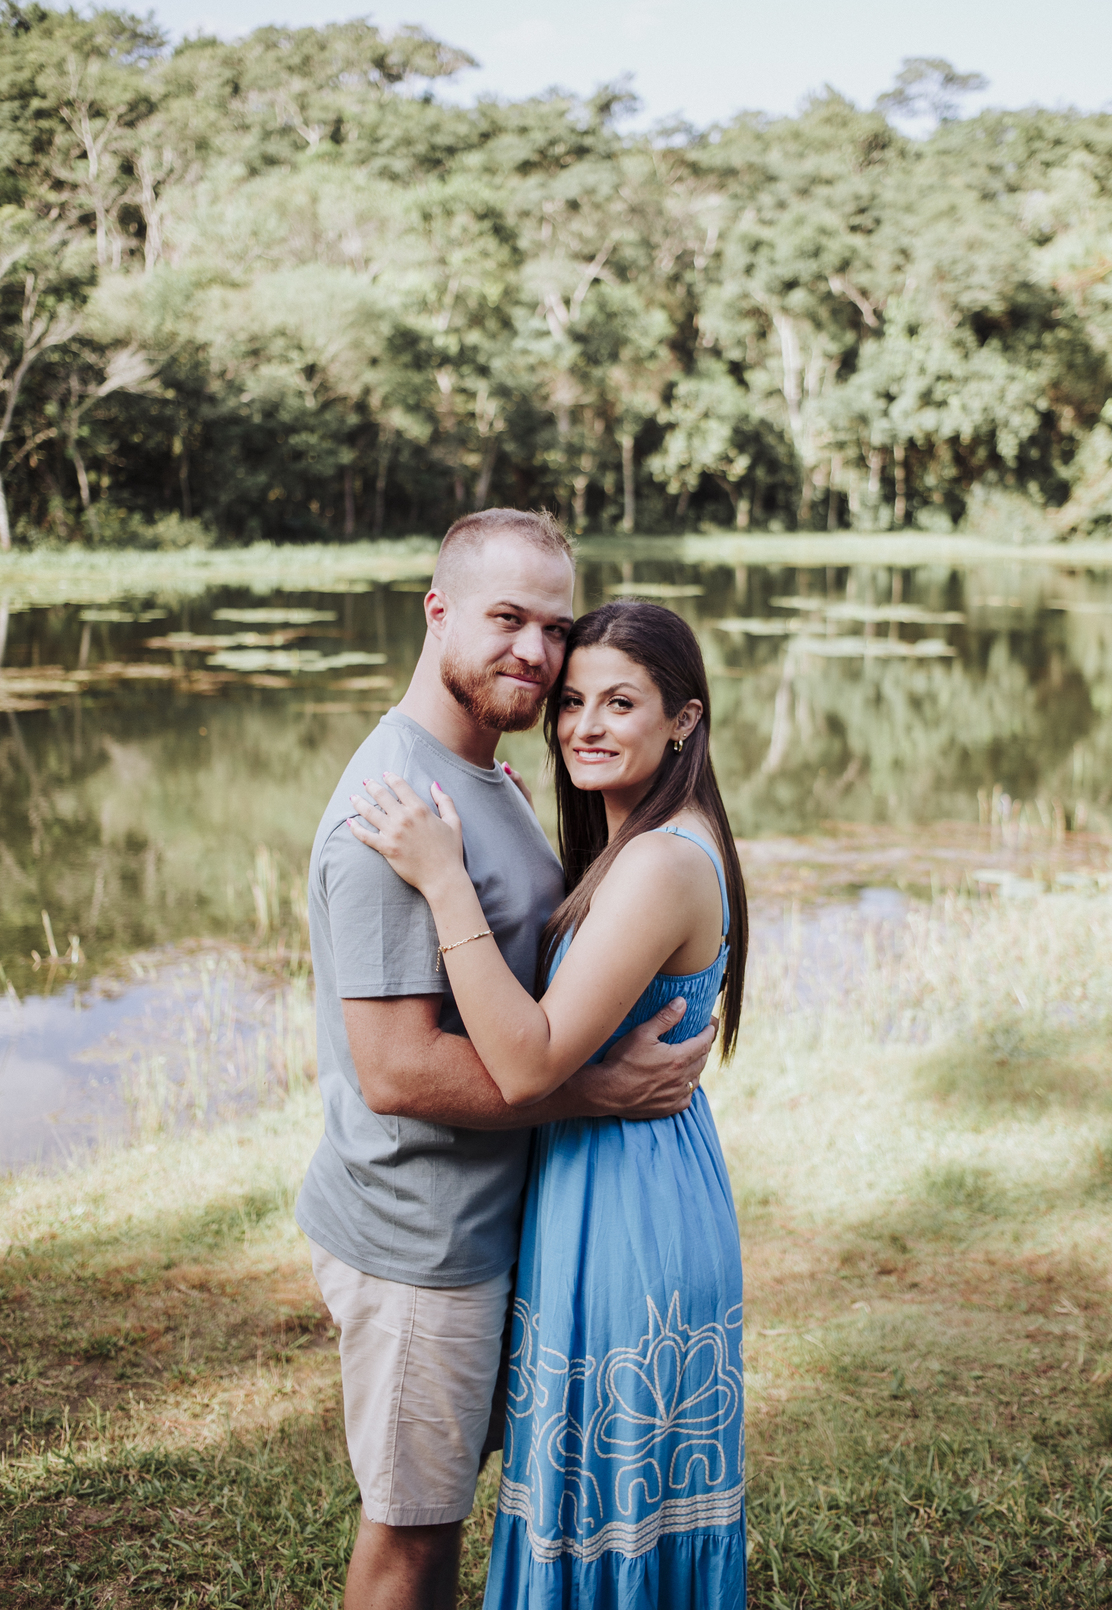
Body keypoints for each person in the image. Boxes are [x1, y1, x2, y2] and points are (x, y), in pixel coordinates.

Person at [296, 509, 715, 1610]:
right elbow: (397, 1070)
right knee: (411, 1534)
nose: (536, 652)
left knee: (445, 1511)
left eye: (555, 627)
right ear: (438, 613)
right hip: (421, 1239)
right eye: (506, 619)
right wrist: (597, 1091)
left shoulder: (483, 779)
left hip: (500, 1226)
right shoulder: (393, 811)